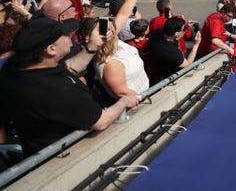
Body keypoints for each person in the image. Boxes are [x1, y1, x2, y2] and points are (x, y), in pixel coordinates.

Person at [0, 17, 140, 156]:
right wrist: (124, 101)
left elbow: (70, 67)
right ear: (51, 49)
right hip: (65, 156)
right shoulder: (57, 91)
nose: (71, 37)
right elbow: (101, 121)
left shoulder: (18, 68)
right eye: (66, 35)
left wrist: (93, 46)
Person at [147, 17, 202, 84]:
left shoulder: (159, 32)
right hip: (170, 78)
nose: (183, 28)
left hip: (159, 69)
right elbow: (187, 64)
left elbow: (175, 37)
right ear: (176, 33)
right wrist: (196, 44)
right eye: (182, 28)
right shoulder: (171, 53)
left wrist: (186, 27)